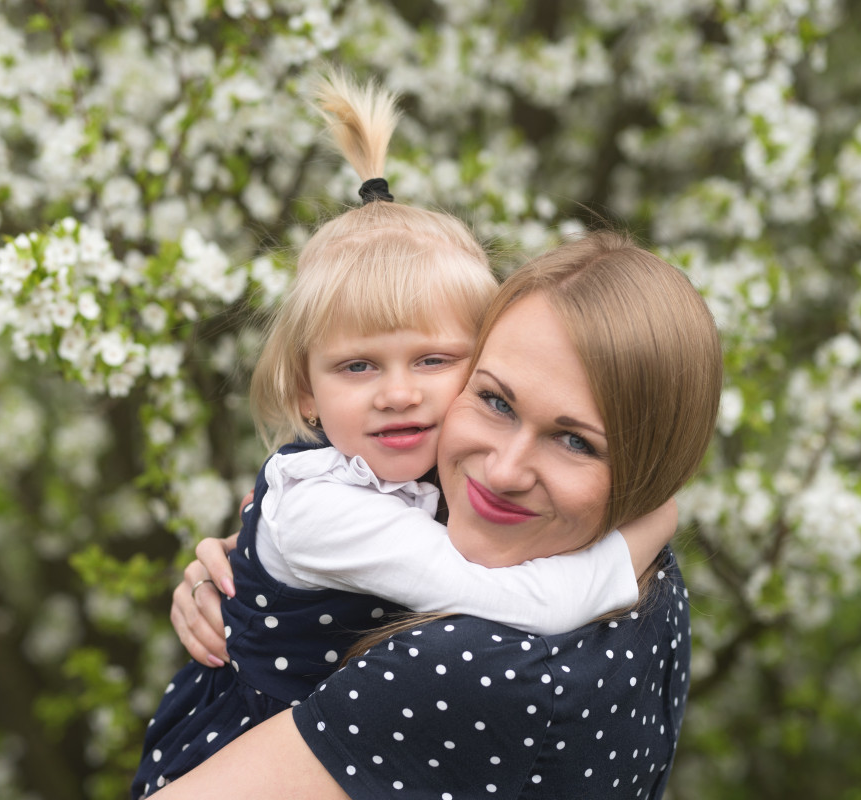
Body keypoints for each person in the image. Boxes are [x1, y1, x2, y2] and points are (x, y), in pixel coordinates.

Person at [129, 74, 675, 799]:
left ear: (485, 370)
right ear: (305, 393)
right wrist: (646, 530)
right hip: (248, 754)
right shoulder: (325, 511)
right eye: (357, 366)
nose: (397, 393)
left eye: (434, 360)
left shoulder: (439, 481)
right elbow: (519, 600)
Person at [156, 230, 723, 799]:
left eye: (575, 442)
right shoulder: (657, 587)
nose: (503, 473)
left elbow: (531, 601)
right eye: (496, 401)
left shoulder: (461, 671)